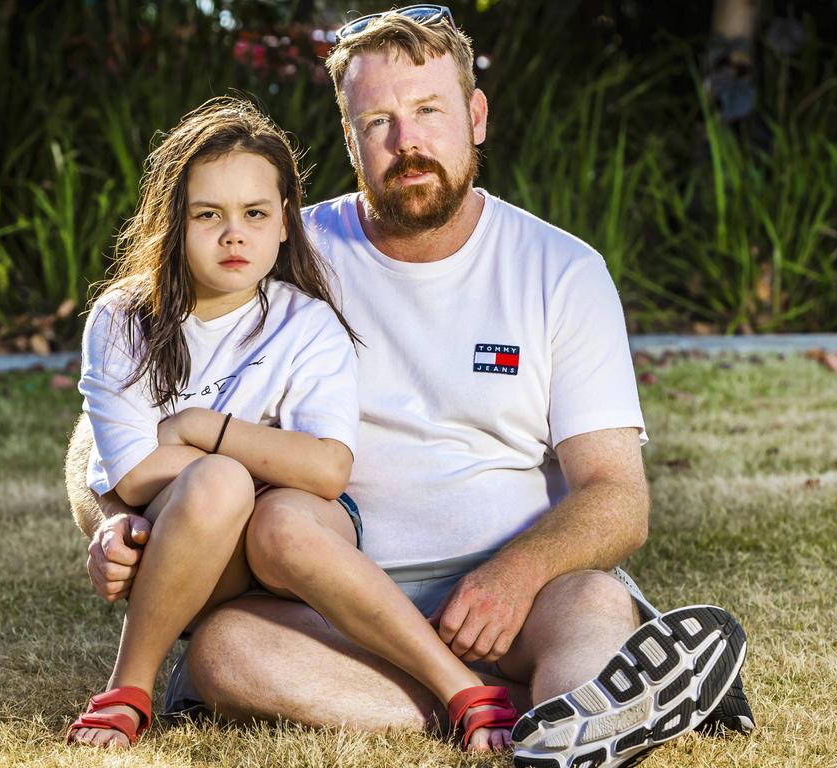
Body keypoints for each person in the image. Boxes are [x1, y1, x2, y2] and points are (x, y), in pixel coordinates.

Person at [68, 7, 754, 767]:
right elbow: (116, 419)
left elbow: (617, 497)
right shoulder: (281, 250)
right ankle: (544, 712)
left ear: (476, 115)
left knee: (591, 600)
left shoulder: (561, 271)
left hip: (514, 597)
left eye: (429, 111)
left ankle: (568, 715)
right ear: (349, 138)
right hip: (320, 604)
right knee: (226, 654)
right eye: (379, 121)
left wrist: (513, 575)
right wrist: (109, 519)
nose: (408, 142)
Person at [66, 96, 520, 751]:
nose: (233, 235)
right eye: (207, 215)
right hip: (195, 547)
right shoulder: (122, 319)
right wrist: (251, 469)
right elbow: (133, 473)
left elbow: (328, 470)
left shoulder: (305, 324)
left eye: (254, 214)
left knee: (271, 512)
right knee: (219, 487)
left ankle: (463, 690)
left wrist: (202, 427)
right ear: (174, 223)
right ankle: (128, 689)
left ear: (284, 222)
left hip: (297, 539)